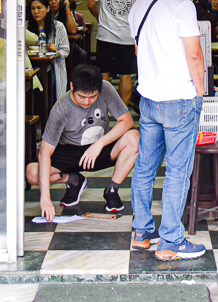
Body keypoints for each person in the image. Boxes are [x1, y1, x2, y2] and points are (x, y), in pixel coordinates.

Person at [127, 0, 208, 261]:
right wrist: (201, 93)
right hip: (179, 100)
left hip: (149, 100)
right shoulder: (181, 6)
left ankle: (142, 232)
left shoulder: (138, 6)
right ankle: (171, 240)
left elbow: (137, 52)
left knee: (145, 167)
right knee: (177, 170)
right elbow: (194, 54)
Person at [29, 64, 140, 220]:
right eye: (82, 96)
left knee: (134, 137)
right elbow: (45, 152)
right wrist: (45, 198)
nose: (87, 102)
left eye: (93, 97)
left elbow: (127, 121)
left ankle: (112, 190)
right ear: (72, 86)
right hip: (69, 151)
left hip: (99, 148)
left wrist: (99, 144)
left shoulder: (106, 88)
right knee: (32, 173)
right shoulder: (61, 108)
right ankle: (74, 180)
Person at [87, 0, 147, 105]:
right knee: (125, 75)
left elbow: (91, 4)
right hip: (127, 37)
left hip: (105, 36)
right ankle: (123, 113)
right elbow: (144, 11)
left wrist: (101, 18)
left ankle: (105, 111)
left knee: (104, 73)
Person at [27, 0, 70, 96]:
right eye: (33, 8)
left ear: (47, 9)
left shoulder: (58, 26)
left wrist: (56, 51)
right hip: (31, 66)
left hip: (51, 66)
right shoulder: (26, 26)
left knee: (48, 81)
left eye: (39, 8)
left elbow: (66, 50)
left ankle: (47, 109)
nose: (36, 12)